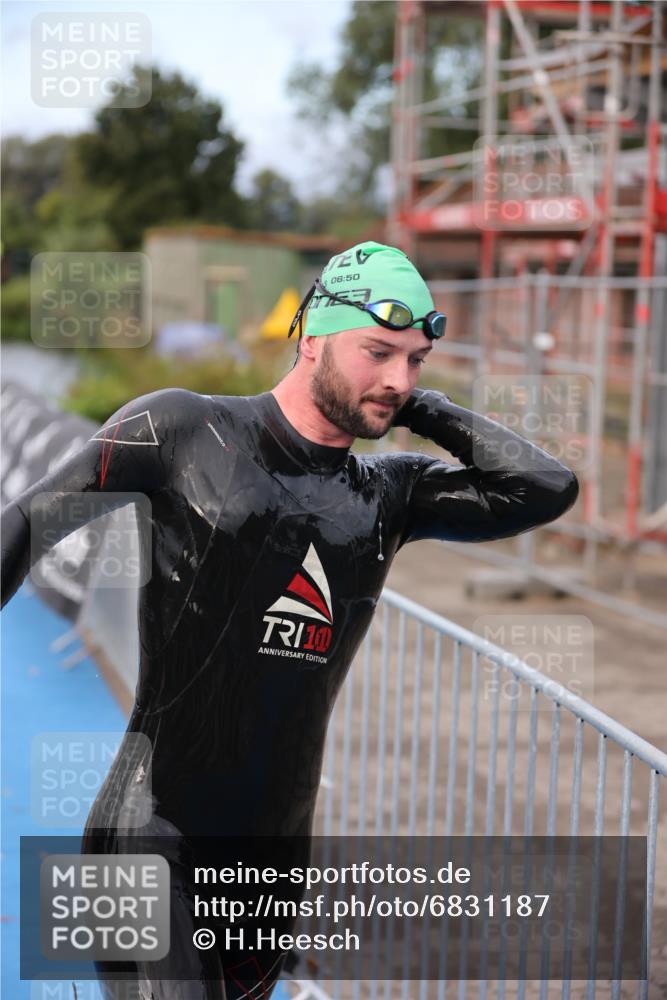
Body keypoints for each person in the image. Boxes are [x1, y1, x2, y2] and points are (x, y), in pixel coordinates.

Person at [1, 241, 579, 999]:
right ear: (311, 337)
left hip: (273, 861)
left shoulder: (389, 495)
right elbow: (30, 521)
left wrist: (422, 409)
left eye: (416, 362)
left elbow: (545, 487)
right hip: (146, 839)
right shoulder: (180, 430)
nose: (398, 380)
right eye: (377, 352)